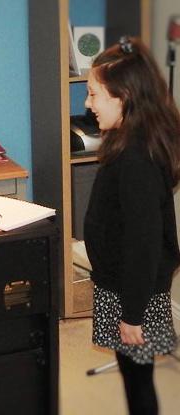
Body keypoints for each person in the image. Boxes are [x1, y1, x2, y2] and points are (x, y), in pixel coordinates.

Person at [84, 36, 180, 415]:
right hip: (123, 283)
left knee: (138, 380)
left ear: (122, 96)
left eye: (93, 94)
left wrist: (132, 315)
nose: (88, 103)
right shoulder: (126, 140)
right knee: (133, 374)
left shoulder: (136, 159)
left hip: (133, 292)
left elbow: (144, 242)